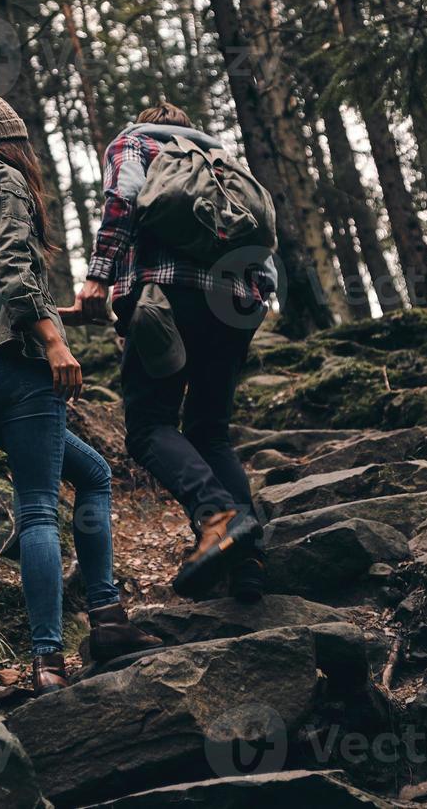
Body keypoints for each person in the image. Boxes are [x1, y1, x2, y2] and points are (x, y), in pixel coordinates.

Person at [0, 82, 159, 694]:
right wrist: (55, 344)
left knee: (91, 475)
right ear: (11, 142)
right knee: (37, 506)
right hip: (16, 371)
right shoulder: (2, 182)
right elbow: (13, 273)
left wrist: (60, 315)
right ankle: (48, 659)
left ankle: (108, 619)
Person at [74, 102, 273, 602]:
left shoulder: (134, 142)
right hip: (236, 302)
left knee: (148, 428)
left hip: (166, 294)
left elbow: (121, 201)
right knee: (211, 431)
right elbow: (261, 237)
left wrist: (99, 277)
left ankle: (217, 518)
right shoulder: (222, 157)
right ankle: (248, 561)